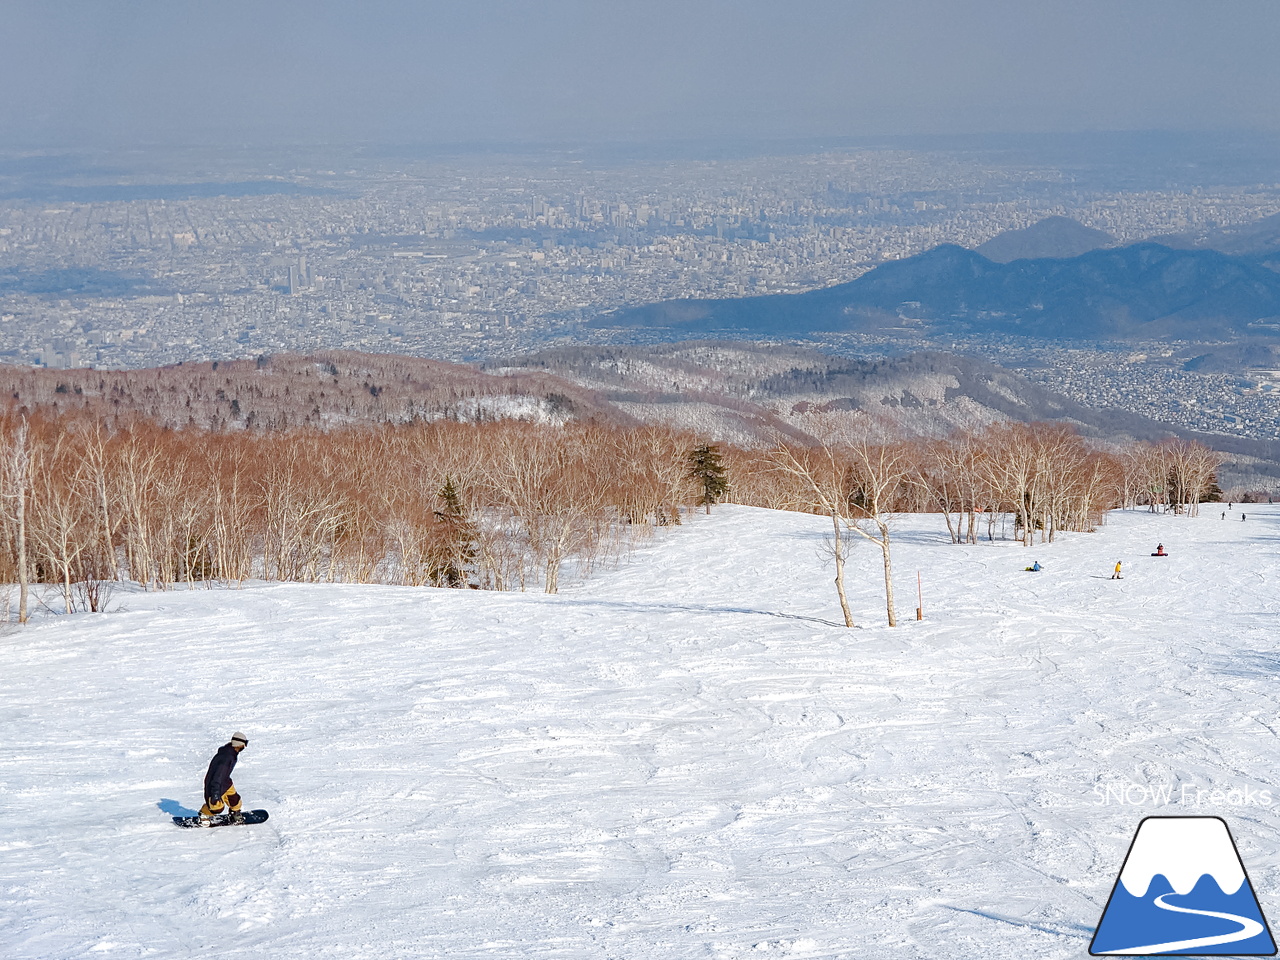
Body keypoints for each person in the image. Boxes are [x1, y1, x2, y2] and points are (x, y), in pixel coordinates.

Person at [201, 732, 248, 820]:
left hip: (226, 782)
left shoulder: (231, 752)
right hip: (214, 784)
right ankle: (204, 814)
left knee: (234, 800)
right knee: (216, 807)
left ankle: (235, 813)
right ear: (239, 744)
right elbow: (217, 776)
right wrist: (215, 794)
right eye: (245, 744)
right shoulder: (227, 757)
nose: (245, 747)